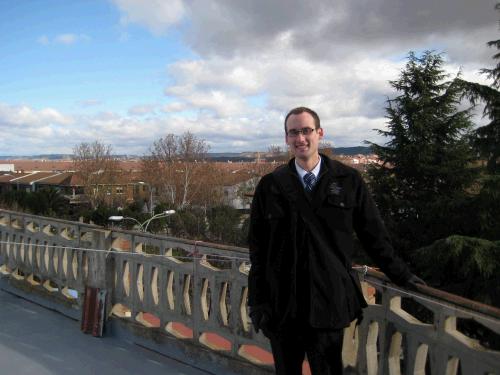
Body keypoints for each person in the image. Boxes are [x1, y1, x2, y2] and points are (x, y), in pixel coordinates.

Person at [248, 107, 425, 375]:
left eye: (306, 130)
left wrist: (400, 273)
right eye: (293, 132)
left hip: (327, 301)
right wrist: (258, 301)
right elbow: (258, 249)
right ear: (286, 138)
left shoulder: (348, 180)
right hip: (282, 303)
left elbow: (373, 235)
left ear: (319, 133)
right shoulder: (270, 186)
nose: (300, 138)